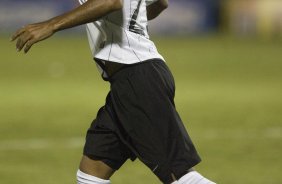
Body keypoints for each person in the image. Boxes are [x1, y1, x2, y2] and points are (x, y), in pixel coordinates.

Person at [11, 0, 216, 183]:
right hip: (134, 78)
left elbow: (111, 2)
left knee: (180, 177)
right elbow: (161, 3)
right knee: (91, 172)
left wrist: (51, 25)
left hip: (137, 79)